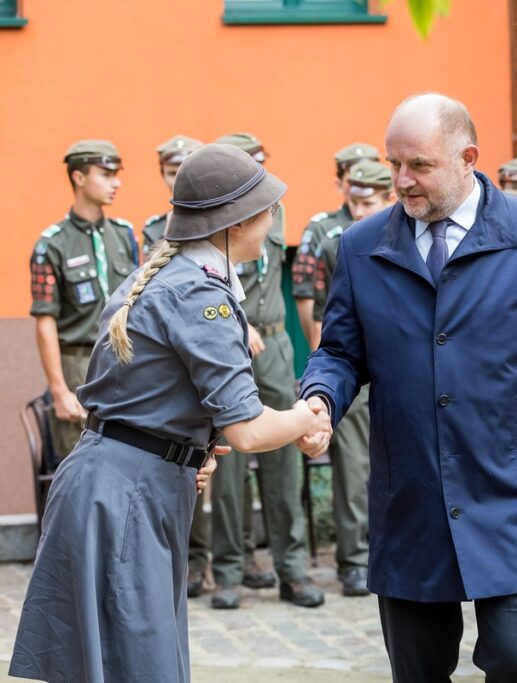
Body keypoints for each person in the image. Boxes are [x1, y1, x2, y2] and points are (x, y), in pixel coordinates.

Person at [300, 93, 517, 682]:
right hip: (411, 497)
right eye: (394, 165)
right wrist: (320, 400)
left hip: (514, 496)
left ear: (468, 158)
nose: (401, 181)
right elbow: (339, 351)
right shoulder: (361, 247)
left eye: (418, 166)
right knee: (417, 669)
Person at [9, 143, 331, 683]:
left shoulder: (165, 276)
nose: (273, 220)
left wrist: (187, 451)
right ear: (234, 222)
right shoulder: (200, 295)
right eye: (266, 208)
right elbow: (248, 431)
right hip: (126, 497)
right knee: (139, 667)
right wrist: (307, 416)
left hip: (116, 486)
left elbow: (146, 401)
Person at [208, 132, 325, 609]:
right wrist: (240, 323)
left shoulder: (273, 215)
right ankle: (230, 571)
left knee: (284, 461)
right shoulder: (214, 223)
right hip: (231, 344)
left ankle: (292, 570)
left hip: (274, 348)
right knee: (230, 461)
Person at [311, 160, 396, 596]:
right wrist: (320, 384)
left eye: (370, 202)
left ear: (388, 198)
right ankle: (354, 558)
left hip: (395, 376)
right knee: (351, 468)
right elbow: (324, 319)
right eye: (355, 201)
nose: (360, 210)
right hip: (351, 374)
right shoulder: (344, 241)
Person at [30, 140, 139, 460]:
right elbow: (45, 321)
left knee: (128, 459)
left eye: (116, 174)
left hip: (126, 359)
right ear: (79, 177)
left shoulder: (123, 235)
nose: (116, 182)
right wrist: (59, 390)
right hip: (80, 366)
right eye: (106, 174)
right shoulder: (52, 244)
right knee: (80, 465)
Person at [140, 133, 211, 596]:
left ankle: (200, 561)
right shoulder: (149, 231)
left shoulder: (219, 228)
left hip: (205, 352)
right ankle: (170, 559)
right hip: (167, 358)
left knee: (201, 466)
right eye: (172, 171)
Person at [293, 142, 380, 346]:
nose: (363, 177)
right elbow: (306, 296)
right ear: (340, 183)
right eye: (354, 175)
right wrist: (319, 350)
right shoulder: (322, 230)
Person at [143, 134, 203, 258]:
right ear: (163, 176)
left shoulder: (224, 220)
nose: (179, 181)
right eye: (172, 174)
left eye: (185, 172)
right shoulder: (154, 229)